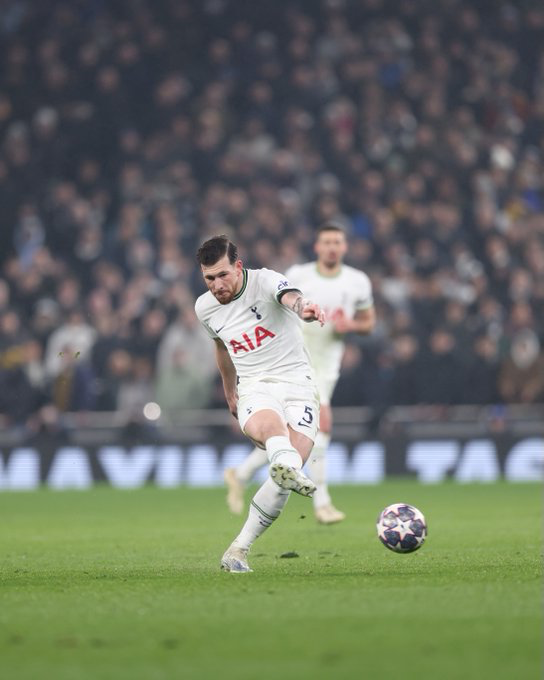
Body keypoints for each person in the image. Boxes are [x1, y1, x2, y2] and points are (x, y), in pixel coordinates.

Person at [224, 223, 375, 524]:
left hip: (328, 365)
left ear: (344, 248)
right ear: (317, 247)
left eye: (337, 242)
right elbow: (272, 304)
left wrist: (352, 326)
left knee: (299, 433)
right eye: (326, 242)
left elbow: (369, 322)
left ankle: (240, 473)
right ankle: (322, 503)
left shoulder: (358, 281)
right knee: (320, 426)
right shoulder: (298, 276)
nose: (332, 247)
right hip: (294, 361)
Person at [195, 235, 325, 573]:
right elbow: (221, 348)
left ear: (238, 267)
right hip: (255, 386)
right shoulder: (204, 308)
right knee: (273, 433)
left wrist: (304, 308)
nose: (217, 285)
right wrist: (229, 390)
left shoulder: (265, 280)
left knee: (286, 471)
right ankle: (285, 464)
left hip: (298, 383)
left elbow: (290, 297)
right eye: (209, 278)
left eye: (223, 275)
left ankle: (238, 549)